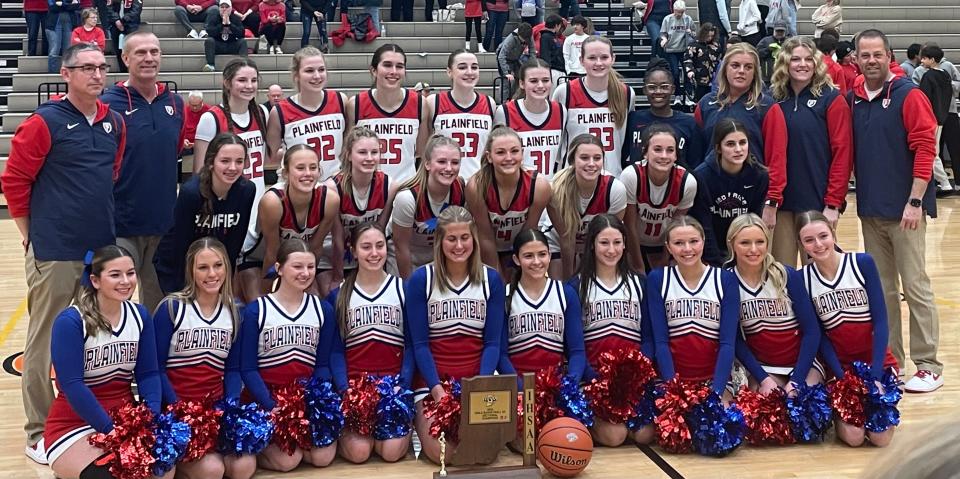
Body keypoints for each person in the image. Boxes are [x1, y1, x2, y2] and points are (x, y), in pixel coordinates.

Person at [1, 43, 126, 465]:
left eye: (101, 67)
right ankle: (38, 430)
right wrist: (29, 235)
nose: (96, 74)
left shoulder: (114, 123)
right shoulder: (44, 122)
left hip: (100, 251)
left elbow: (111, 175)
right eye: (86, 68)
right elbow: (15, 181)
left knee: (92, 338)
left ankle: (77, 417)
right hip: (55, 249)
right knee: (43, 341)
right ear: (66, 73)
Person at [850, 29, 942, 394]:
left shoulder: (909, 95)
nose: (871, 60)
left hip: (907, 211)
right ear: (855, 58)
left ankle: (929, 364)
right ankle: (892, 362)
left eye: (877, 54)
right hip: (871, 210)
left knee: (915, 286)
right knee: (884, 291)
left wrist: (916, 200)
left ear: (889, 56)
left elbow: (925, 148)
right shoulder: (854, 98)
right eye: (865, 55)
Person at [43, 245, 168, 479]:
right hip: (74, 423)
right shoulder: (71, 321)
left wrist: (148, 419)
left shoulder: (139, 316)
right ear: (95, 280)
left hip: (125, 417)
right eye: (115, 275)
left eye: (130, 273)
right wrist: (111, 430)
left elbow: (149, 374)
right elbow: (72, 386)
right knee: (111, 475)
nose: (126, 281)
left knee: (163, 469)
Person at [404, 206, 505, 464]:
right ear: (439, 241)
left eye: (464, 238)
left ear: (474, 239)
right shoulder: (421, 280)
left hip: (476, 381)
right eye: (451, 238)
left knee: (483, 454)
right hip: (432, 383)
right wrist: (437, 390)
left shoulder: (491, 279)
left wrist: (480, 387)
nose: (459, 245)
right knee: (445, 454)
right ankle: (420, 422)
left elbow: (492, 343)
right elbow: (420, 345)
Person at [153, 238, 257, 479]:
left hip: (214, 410)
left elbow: (232, 369)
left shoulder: (234, 310)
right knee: (212, 471)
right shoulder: (172, 308)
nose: (212, 274)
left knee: (243, 468)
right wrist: (179, 409)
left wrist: (229, 409)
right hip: (177, 410)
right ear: (191, 270)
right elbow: (155, 370)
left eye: (218, 265)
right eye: (203, 267)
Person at [795, 210, 899, 446]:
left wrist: (875, 375)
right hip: (839, 367)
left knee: (880, 439)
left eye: (823, 236)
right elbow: (818, 335)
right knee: (853, 438)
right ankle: (836, 409)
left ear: (833, 234)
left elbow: (881, 322)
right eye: (809, 240)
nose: (818, 245)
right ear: (801, 244)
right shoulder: (802, 279)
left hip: (876, 362)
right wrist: (842, 378)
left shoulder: (862, 263)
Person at [100, 32, 185, 312]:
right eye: (140, 53)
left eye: (154, 52)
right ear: (125, 58)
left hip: (164, 224)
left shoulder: (175, 104)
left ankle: (153, 357)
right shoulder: (108, 104)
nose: (149, 58)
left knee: (160, 306)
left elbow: (173, 155)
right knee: (114, 301)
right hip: (120, 223)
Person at [238, 238, 339, 470]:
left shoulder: (322, 310)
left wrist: (315, 403)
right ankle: (258, 448)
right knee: (287, 461)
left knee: (323, 457)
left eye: (311, 267)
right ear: (279, 268)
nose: (305, 273)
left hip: (305, 401)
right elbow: (248, 369)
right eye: (297, 266)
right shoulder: (258, 310)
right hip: (265, 401)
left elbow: (322, 365)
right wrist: (272, 405)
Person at [327, 223, 412, 464]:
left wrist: (402, 386)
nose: (374, 253)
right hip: (355, 389)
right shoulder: (339, 295)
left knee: (391, 453)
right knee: (359, 454)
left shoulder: (402, 289)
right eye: (366, 247)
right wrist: (346, 390)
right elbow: (335, 352)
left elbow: (411, 346)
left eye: (379, 246)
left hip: (391, 388)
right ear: (353, 251)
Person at [767, 36, 852, 267]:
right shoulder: (772, 99)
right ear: (785, 63)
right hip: (781, 205)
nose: (802, 64)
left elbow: (843, 153)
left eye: (808, 59)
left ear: (816, 63)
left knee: (819, 275)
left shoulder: (831, 99)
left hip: (817, 203)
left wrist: (834, 203)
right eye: (795, 59)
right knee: (781, 274)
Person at [193, 58, 271, 302]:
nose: (249, 86)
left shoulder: (262, 113)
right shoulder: (211, 118)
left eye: (253, 80)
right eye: (242, 80)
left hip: (258, 207)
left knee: (254, 291)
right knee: (226, 289)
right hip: (226, 211)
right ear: (227, 83)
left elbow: (267, 159)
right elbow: (199, 172)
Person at [572, 214, 652, 446]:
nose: (611, 250)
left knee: (645, 435)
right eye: (604, 243)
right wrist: (595, 380)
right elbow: (574, 347)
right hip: (595, 381)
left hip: (633, 381)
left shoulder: (640, 283)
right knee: (615, 437)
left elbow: (647, 338)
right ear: (592, 245)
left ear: (625, 244)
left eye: (617, 242)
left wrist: (637, 376)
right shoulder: (576, 286)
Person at [497, 229, 586, 427]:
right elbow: (501, 356)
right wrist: (522, 389)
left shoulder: (565, 294)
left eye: (542, 254)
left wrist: (568, 385)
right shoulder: (505, 296)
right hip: (520, 390)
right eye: (528, 256)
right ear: (517, 259)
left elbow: (577, 352)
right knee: (528, 443)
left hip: (557, 389)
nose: (537, 262)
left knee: (566, 438)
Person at [694, 42, 787, 233]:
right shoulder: (706, 104)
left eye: (748, 67)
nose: (741, 71)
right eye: (735, 65)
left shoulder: (767, 107)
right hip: (712, 197)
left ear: (755, 72)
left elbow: (777, 157)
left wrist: (772, 201)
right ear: (724, 68)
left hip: (753, 197)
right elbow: (697, 153)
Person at [726, 214, 821, 396]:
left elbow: (812, 331)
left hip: (803, 364)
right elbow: (735, 339)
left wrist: (796, 380)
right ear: (732, 244)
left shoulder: (786, 275)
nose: (754, 249)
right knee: (765, 410)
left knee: (802, 406)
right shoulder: (727, 281)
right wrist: (763, 378)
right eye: (745, 243)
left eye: (760, 242)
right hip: (764, 367)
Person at [647, 215, 739, 398]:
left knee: (721, 423)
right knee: (659, 426)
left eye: (693, 241)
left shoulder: (724, 280)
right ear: (668, 246)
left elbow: (727, 343)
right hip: (671, 380)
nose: (687, 249)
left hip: (713, 380)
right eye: (679, 243)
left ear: (703, 242)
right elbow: (661, 342)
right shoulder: (658, 279)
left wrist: (716, 391)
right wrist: (673, 388)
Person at [154, 133, 257, 295]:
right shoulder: (191, 193)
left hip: (213, 270)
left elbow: (234, 244)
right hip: (176, 267)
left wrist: (224, 285)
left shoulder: (247, 191)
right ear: (211, 163)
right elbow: (180, 245)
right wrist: (184, 291)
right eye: (225, 161)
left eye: (239, 161)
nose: (232, 167)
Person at [466, 125, 560, 276]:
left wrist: (519, 276)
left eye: (514, 151)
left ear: (523, 153)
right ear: (489, 157)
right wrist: (497, 279)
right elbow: (486, 238)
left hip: (518, 249)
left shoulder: (538, 186)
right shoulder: (476, 187)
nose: (508, 158)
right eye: (501, 152)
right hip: (486, 249)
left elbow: (528, 235)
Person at [256, 145, 340, 295]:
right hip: (258, 257)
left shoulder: (330, 200)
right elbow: (271, 252)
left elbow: (315, 248)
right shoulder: (273, 202)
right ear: (286, 173)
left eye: (313, 167)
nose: (308, 174)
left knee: (314, 299)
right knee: (257, 301)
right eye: (300, 168)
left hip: (298, 260)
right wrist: (266, 299)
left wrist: (305, 287)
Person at [326, 127, 399, 288]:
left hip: (370, 256)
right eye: (362, 152)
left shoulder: (389, 186)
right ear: (349, 155)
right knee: (329, 295)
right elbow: (337, 239)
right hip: (335, 258)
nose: (369, 158)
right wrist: (337, 278)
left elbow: (378, 231)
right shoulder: (333, 189)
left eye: (374, 152)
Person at [545, 134, 627, 278]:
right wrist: (568, 282)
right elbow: (566, 240)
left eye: (597, 158)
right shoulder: (555, 189)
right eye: (584, 158)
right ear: (572, 161)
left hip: (594, 246)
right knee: (561, 287)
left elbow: (611, 234)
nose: (591, 163)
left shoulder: (615, 189)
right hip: (558, 242)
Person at [690, 118, 769, 266]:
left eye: (742, 143)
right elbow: (704, 226)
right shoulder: (701, 176)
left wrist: (742, 257)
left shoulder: (759, 175)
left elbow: (753, 221)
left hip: (743, 252)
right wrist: (717, 263)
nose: (738, 149)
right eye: (730, 144)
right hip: (710, 254)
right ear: (718, 148)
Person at [553, 36, 636, 176]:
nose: (598, 63)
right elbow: (557, 143)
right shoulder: (565, 92)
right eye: (592, 58)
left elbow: (626, 141)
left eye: (604, 57)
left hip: (612, 179)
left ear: (613, 59)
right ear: (581, 61)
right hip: (573, 179)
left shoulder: (626, 93)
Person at [348, 44, 429, 184]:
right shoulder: (356, 104)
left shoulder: (420, 104)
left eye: (399, 66)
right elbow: (348, 152)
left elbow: (421, 151)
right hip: (368, 189)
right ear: (373, 70)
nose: (393, 71)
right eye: (387, 65)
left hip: (406, 188)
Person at [623, 124, 697, 272]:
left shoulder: (687, 182)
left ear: (676, 155)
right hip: (633, 243)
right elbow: (629, 225)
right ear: (645, 152)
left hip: (665, 245)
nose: (664, 156)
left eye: (670, 150)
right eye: (657, 149)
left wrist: (665, 259)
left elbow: (675, 227)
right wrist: (639, 266)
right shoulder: (631, 176)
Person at [266, 47, 348, 181]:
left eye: (321, 69)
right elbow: (270, 157)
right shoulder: (280, 111)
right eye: (309, 70)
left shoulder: (340, 101)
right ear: (296, 75)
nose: (317, 76)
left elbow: (347, 147)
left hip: (334, 187)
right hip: (296, 189)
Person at [391, 135, 466, 279]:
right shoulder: (408, 198)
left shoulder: (462, 189)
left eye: (455, 162)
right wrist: (409, 286)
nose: (449, 168)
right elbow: (401, 247)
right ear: (427, 164)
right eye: (442, 162)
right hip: (406, 258)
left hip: (439, 258)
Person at [427, 50, 496, 180]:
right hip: (445, 183)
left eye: (474, 67)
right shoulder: (433, 102)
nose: (469, 72)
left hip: (479, 184)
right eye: (462, 67)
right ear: (449, 72)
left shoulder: (489, 103)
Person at [494, 59, 567, 181]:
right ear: (522, 83)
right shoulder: (505, 112)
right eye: (533, 81)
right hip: (516, 191)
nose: (540, 85)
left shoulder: (560, 111)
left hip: (549, 190)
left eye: (545, 80)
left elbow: (559, 158)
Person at [623, 60, 703, 170]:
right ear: (644, 90)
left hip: (676, 185)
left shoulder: (689, 124)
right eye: (652, 87)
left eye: (664, 86)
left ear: (673, 89)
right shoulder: (633, 119)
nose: (658, 91)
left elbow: (695, 164)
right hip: (639, 185)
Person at [915, 44, 956, 196]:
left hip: (930, 118)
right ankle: (943, 183)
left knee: (931, 152)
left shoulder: (928, 76)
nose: (922, 61)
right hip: (942, 117)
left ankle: (945, 183)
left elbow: (923, 99)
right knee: (934, 152)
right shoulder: (945, 74)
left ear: (932, 60)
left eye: (924, 58)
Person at [659, 1, 695, 94]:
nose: (680, 14)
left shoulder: (688, 19)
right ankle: (677, 94)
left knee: (687, 72)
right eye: (678, 12)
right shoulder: (668, 19)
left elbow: (695, 33)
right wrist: (664, 39)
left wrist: (690, 32)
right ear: (674, 10)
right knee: (675, 72)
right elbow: (663, 33)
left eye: (682, 12)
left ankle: (688, 93)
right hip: (672, 49)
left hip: (684, 49)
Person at [96, 0, 142, 73]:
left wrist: (123, 21)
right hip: (115, 24)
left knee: (132, 48)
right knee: (118, 49)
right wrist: (116, 20)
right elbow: (108, 7)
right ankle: (123, 70)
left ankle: (133, 69)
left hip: (131, 24)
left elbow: (136, 10)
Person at [202, 0, 246, 72]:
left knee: (242, 42)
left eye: (226, 7)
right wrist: (222, 25)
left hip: (231, 44)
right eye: (222, 7)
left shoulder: (235, 18)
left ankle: (244, 66)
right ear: (219, 8)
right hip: (218, 45)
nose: (224, 9)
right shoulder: (214, 17)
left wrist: (229, 24)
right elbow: (210, 32)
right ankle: (210, 65)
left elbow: (241, 34)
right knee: (209, 41)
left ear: (231, 9)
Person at [684, 22, 722, 103]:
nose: (710, 38)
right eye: (708, 36)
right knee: (700, 101)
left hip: (713, 78)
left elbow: (719, 59)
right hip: (699, 78)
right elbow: (688, 59)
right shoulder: (694, 45)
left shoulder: (716, 45)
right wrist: (690, 70)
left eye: (712, 36)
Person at [496, 23, 534, 97]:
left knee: (521, 78)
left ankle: (515, 99)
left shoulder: (529, 35)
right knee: (506, 81)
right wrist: (506, 72)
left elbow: (532, 52)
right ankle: (504, 102)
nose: (525, 41)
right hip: (505, 58)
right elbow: (501, 56)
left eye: (527, 39)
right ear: (519, 35)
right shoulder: (511, 39)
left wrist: (532, 66)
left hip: (516, 58)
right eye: (523, 39)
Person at [45, 0, 80, 72]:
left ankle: (66, 72)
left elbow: (76, 6)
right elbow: (53, 7)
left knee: (67, 49)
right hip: (53, 24)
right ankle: (53, 74)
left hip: (69, 24)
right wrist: (68, 5)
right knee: (55, 49)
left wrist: (62, 4)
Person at [538, 14, 565, 85]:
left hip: (560, 70)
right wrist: (547, 73)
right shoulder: (545, 37)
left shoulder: (554, 37)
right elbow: (545, 56)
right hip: (553, 71)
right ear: (556, 25)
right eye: (560, 25)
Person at [183, 91, 211, 156]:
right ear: (189, 102)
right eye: (192, 105)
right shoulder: (183, 111)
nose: (194, 108)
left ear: (202, 102)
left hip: (204, 144)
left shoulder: (210, 112)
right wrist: (183, 140)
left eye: (196, 105)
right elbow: (179, 129)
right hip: (186, 144)